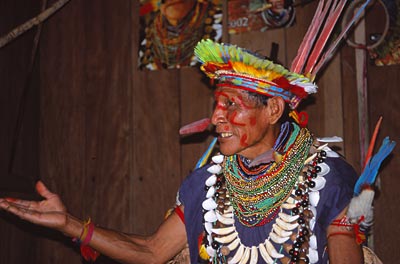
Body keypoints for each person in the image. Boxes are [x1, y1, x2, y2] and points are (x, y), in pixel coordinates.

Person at [0, 37, 367, 264]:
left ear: (272, 110)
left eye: (230, 105)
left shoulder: (327, 178)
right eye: (215, 105)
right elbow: (152, 251)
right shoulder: (205, 185)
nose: (214, 118)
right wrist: (70, 224)